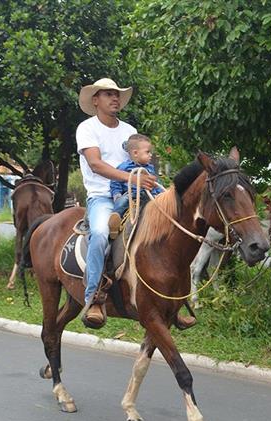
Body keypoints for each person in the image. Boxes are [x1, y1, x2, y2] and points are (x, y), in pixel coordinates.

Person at [76, 78, 195, 330]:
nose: (115, 98)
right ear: (95, 100)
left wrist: (152, 182)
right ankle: (93, 297)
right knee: (100, 234)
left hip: (138, 195)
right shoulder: (87, 128)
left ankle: (174, 301)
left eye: (117, 94)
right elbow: (95, 164)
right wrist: (132, 179)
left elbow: (142, 159)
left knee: (169, 231)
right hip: (103, 197)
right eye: (108, 94)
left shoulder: (129, 130)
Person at [107, 133, 164, 238]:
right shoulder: (124, 167)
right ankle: (115, 220)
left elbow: (156, 184)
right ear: (135, 153)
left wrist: (161, 194)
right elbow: (115, 181)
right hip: (131, 195)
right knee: (122, 201)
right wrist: (117, 194)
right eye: (147, 152)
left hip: (148, 195)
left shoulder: (150, 168)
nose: (150, 155)